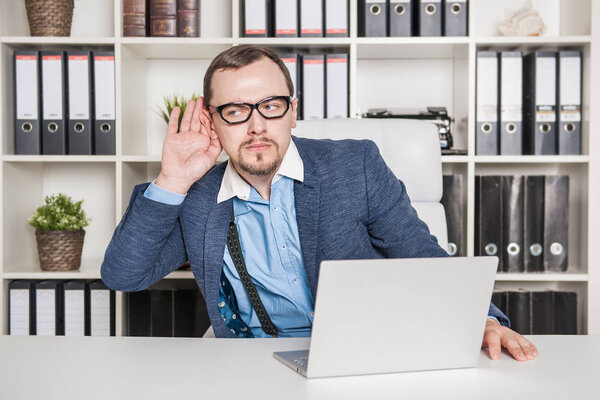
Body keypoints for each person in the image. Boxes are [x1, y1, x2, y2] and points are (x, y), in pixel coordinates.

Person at [101, 45, 538, 361]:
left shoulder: (354, 165)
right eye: (235, 110)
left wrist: (481, 319)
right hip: (245, 365)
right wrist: (172, 179)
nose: (256, 126)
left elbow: (421, 254)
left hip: (357, 356)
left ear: (293, 111)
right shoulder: (195, 194)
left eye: (270, 106)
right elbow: (125, 275)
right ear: (212, 119)